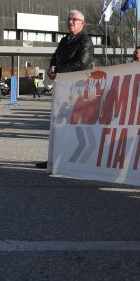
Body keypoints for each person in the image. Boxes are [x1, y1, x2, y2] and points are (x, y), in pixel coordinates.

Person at [35, 9, 93, 168]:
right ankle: (54, 159)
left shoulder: (85, 41)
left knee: (75, 126)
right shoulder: (63, 40)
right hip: (62, 88)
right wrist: (51, 68)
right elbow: (55, 56)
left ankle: (76, 159)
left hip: (78, 90)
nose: (71, 22)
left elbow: (82, 63)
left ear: (82, 23)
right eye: (69, 19)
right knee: (58, 125)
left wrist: (59, 70)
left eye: (74, 19)